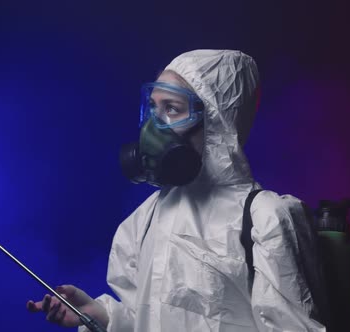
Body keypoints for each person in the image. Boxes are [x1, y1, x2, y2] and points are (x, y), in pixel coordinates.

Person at [26, 49, 326, 331]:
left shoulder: (264, 219)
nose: (155, 127)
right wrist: (100, 315)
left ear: (217, 120)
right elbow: (142, 318)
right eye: (154, 108)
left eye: (172, 109)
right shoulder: (143, 220)